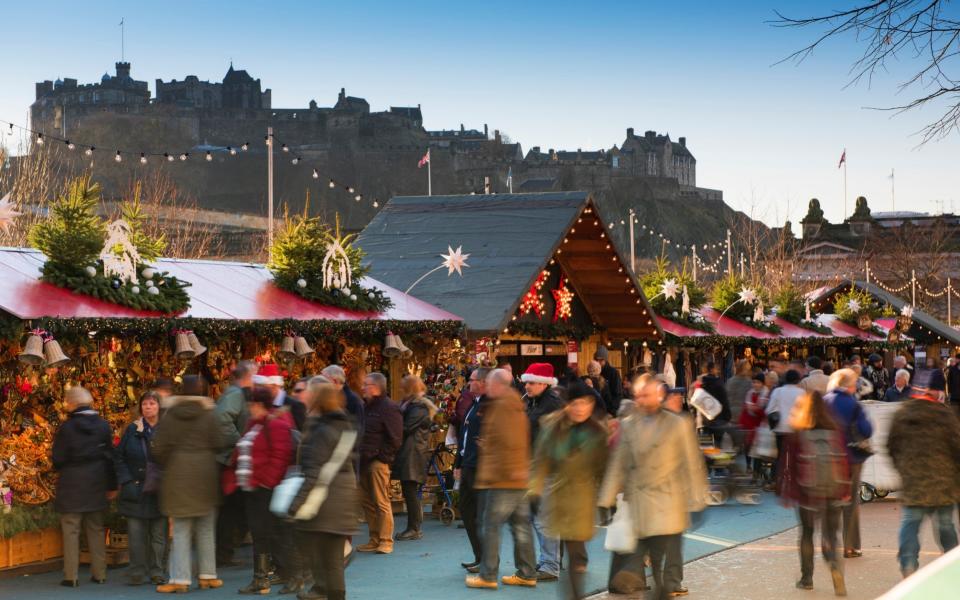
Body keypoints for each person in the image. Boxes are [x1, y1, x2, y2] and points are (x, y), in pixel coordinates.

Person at [598, 375, 707, 600]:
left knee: (661, 565)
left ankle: (660, 589)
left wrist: (698, 499)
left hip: (667, 504)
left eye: (646, 395)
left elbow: (691, 463)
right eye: (638, 395)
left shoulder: (678, 424)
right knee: (642, 562)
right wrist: (606, 497)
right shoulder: (628, 425)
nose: (641, 399)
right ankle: (644, 584)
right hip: (639, 504)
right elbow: (618, 463)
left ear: (659, 395)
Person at [529, 381, 608, 599]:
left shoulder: (598, 432)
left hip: (583, 496)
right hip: (558, 493)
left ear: (592, 405)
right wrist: (534, 491)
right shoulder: (552, 426)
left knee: (574, 551)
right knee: (569, 546)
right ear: (567, 404)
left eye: (585, 403)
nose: (580, 408)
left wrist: (609, 499)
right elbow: (541, 460)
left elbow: (604, 468)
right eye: (575, 403)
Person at [152, 376, 225, 593]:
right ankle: (208, 575)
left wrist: (171, 462)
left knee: (182, 530)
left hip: (178, 474)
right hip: (206, 475)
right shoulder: (210, 414)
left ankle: (180, 579)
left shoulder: (170, 415)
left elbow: (158, 449)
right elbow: (220, 442)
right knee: (206, 528)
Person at [465, 369, 538, 590]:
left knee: (490, 526)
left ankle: (488, 575)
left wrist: (507, 467)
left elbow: (511, 441)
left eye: (488, 383)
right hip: (515, 476)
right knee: (520, 526)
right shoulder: (512, 404)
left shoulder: (503, 406)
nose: (486, 386)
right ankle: (527, 573)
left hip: (504, 478)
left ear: (497, 385)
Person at [289, 377, 360, 600]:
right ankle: (323, 590)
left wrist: (295, 505)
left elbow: (312, 472)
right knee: (332, 560)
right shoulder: (343, 424)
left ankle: (322, 590)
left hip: (324, 501)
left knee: (324, 556)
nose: (304, 396)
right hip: (342, 497)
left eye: (308, 392)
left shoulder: (320, 431)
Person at [776, 391, 850, 595]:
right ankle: (834, 564)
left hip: (807, 493)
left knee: (807, 534)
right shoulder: (836, 431)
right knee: (831, 535)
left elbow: (786, 466)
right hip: (834, 490)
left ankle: (807, 578)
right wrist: (845, 489)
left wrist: (786, 492)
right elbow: (845, 462)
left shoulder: (798, 433)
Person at [227, 386, 296, 595]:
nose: (251, 408)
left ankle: (289, 575)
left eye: (254, 404)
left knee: (273, 533)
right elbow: (242, 449)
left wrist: (266, 481)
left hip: (266, 488)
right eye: (250, 404)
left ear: (263, 405)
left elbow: (280, 455)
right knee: (260, 534)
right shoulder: (253, 424)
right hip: (251, 488)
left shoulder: (275, 424)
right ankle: (261, 578)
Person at [887, 390, 960, 578]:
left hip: (914, 481)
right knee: (945, 524)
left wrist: (903, 469)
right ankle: (952, 563)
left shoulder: (902, 414)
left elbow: (891, 446)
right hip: (943, 481)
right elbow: (957, 447)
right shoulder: (944, 415)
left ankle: (908, 564)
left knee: (910, 523)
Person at [52, 386, 118, 588]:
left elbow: (58, 458)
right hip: (96, 481)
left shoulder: (67, 428)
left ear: (72, 404)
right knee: (96, 529)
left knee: (71, 530)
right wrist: (112, 484)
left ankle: (71, 576)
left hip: (72, 483)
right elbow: (110, 457)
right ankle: (100, 573)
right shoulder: (103, 425)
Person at [114, 391, 166, 585]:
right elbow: (119, 457)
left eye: (152, 404)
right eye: (145, 404)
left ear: (159, 407)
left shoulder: (166, 430)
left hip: (159, 488)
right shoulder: (131, 430)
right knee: (136, 534)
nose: (148, 407)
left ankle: (157, 570)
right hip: (135, 488)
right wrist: (126, 481)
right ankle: (137, 570)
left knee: (158, 535)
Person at [520, 362, 564, 582]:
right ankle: (548, 560)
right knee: (534, 516)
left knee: (542, 518)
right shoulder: (532, 401)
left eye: (532, 382)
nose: (527, 386)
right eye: (526, 382)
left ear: (544, 384)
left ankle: (550, 564)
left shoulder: (552, 404)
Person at [824, 368, 874, 560]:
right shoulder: (854, 404)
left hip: (827, 457)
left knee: (830, 501)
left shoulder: (822, 401)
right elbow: (866, 430)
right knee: (850, 502)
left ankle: (829, 544)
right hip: (851, 458)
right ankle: (851, 547)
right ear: (850, 385)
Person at [214, 360, 255, 567]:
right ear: (248, 376)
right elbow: (222, 420)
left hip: (233, 458)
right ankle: (223, 553)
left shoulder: (237, 394)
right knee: (233, 510)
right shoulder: (236, 395)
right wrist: (240, 442)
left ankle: (224, 552)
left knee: (233, 509)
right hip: (231, 460)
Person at [357, 372, 403, 554]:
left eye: (366, 384)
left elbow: (396, 438)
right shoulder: (366, 407)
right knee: (367, 502)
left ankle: (385, 540)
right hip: (363, 460)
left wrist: (382, 457)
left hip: (377, 462)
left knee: (381, 501)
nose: (362, 388)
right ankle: (374, 538)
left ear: (376, 387)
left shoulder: (389, 407)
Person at [393, 374, 438, 541]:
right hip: (411, 450)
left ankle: (414, 528)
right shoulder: (413, 405)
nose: (400, 390)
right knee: (409, 490)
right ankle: (413, 527)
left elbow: (406, 428)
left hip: (413, 452)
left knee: (410, 490)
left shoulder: (418, 407)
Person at [454, 367, 489, 573]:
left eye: (472, 379)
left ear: (483, 382)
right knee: (467, 512)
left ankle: (486, 559)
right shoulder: (473, 404)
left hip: (480, 467)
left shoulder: (489, 405)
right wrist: (458, 463)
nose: (469, 382)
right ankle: (479, 555)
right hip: (467, 465)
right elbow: (464, 435)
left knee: (480, 515)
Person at [766, 370, 804, 463]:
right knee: (794, 455)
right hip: (796, 428)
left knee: (780, 455)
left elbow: (769, 409)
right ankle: (793, 474)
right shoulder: (802, 392)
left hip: (780, 427)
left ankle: (780, 474)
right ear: (797, 380)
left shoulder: (777, 391)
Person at [256, 363, 306, 431]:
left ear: (274, 386)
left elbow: (300, 434)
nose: (260, 391)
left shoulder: (295, 405)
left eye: (263, 387)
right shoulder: (263, 402)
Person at [321, 365, 365, 435]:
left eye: (324, 381)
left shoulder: (353, 401)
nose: (321, 385)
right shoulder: (328, 398)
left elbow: (356, 432)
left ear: (335, 381)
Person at [700, 362, 732, 446]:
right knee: (717, 444)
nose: (718, 370)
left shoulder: (702, 383)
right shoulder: (718, 383)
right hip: (719, 418)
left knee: (707, 445)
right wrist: (728, 416)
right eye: (716, 368)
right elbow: (724, 400)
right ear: (712, 369)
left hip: (706, 419)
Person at [594, 345, 624, 411]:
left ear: (605, 360)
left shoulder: (613, 372)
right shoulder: (594, 372)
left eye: (601, 360)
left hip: (609, 410)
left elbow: (618, 394)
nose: (598, 362)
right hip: (597, 410)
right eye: (596, 360)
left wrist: (611, 410)